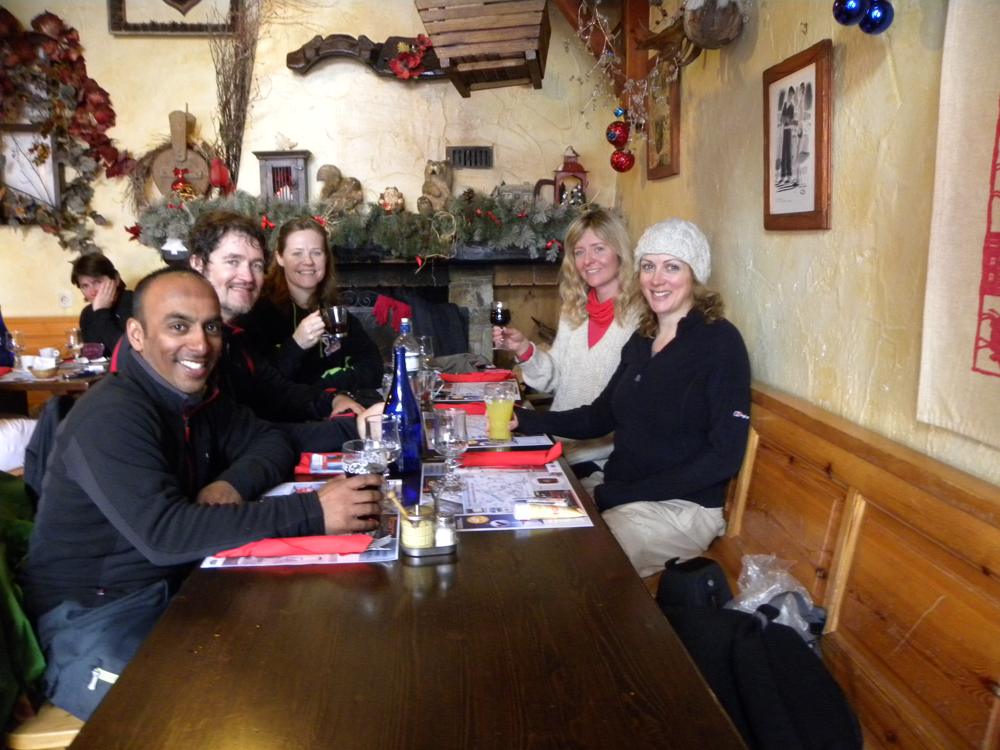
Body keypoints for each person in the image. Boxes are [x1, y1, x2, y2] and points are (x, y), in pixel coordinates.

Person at [20, 267, 383, 720]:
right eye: (178, 326)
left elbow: (271, 441)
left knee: (315, 658)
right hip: (93, 621)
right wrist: (313, 511)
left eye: (210, 326)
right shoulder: (112, 414)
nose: (200, 343)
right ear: (136, 334)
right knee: (208, 714)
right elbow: (166, 535)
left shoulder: (195, 396)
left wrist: (229, 483)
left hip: (184, 586)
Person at [513, 219, 751, 577]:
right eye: (649, 266)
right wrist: (525, 419)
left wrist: (623, 494)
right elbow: (600, 415)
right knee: (528, 528)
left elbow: (724, 457)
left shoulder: (719, 342)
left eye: (672, 267)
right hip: (621, 491)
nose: (657, 279)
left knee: (576, 566)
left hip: (680, 509)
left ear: (695, 276)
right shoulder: (643, 338)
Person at [187, 211, 370, 451]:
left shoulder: (233, 335)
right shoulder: (192, 343)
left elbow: (276, 390)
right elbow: (245, 435)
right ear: (198, 264)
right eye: (233, 261)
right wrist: (356, 429)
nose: (247, 277)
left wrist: (333, 399)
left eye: (256, 265)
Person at [492, 207, 640, 471]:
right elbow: (553, 379)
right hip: (556, 443)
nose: (588, 260)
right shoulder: (574, 310)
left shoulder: (641, 319)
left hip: (601, 459)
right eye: (579, 252)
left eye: (598, 248)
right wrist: (524, 349)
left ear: (619, 251)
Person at [239, 216, 382, 391]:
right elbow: (259, 387)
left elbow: (373, 367)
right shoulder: (259, 312)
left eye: (316, 252)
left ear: (326, 258)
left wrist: (326, 390)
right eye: (297, 253)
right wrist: (296, 344)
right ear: (280, 257)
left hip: (333, 408)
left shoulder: (333, 312)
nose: (308, 261)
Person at [70, 253, 133, 356]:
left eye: (97, 282)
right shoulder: (87, 314)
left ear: (116, 279)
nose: (92, 291)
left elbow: (127, 353)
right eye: (85, 286)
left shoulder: (135, 303)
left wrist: (101, 312)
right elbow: (92, 356)